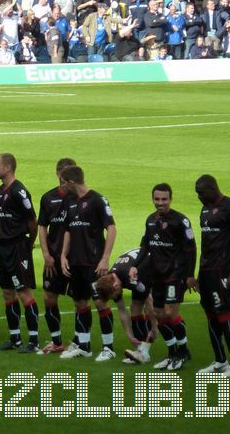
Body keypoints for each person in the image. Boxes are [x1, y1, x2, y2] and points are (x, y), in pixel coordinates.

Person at [124, 183, 196, 370]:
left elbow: (191, 249)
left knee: (170, 314)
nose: (160, 203)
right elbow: (145, 246)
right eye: (157, 199)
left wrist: (189, 275)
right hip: (157, 275)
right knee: (157, 314)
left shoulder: (181, 221)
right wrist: (134, 265)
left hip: (175, 274)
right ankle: (174, 353)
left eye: (164, 199)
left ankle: (181, 352)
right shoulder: (150, 221)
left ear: (170, 199)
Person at [58, 165, 118, 361]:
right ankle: (84, 346)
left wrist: (105, 258)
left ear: (71, 182)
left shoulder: (97, 200)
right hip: (75, 261)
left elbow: (111, 229)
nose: (62, 187)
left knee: (100, 303)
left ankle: (108, 347)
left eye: (63, 183)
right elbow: (67, 229)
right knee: (80, 303)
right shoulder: (70, 200)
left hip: (94, 262)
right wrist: (63, 256)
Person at [194, 174, 230, 376]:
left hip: (223, 270)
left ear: (213, 188)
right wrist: (199, 273)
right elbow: (205, 244)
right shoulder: (205, 208)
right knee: (210, 314)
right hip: (207, 271)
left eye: (201, 192)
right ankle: (220, 360)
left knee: (223, 313)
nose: (199, 197)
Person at [0, 153, 39, 352]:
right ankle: (15, 338)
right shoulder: (0, 190)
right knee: (8, 293)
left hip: (17, 247)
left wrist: (30, 243)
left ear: (8, 168)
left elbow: (33, 222)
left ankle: (34, 341)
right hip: (1, 247)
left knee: (24, 293)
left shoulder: (20, 192)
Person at [37, 157, 77, 354]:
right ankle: (57, 341)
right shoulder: (48, 198)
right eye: (63, 176)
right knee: (49, 297)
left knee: (81, 299)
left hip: (76, 258)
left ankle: (79, 342)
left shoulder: (82, 198)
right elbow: (42, 226)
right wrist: (46, 254)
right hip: (53, 257)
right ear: (58, 174)